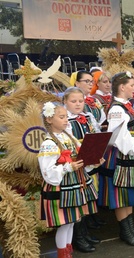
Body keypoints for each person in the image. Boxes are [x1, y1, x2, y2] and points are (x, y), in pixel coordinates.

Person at [38, 102, 103, 257]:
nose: (66, 120)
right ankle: (63, 254)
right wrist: (67, 167)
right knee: (65, 223)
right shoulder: (49, 143)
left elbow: (80, 160)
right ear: (49, 119)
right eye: (61, 117)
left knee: (72, 221)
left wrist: (92, 161)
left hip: (74, 183)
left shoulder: (69, 136)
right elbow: (47, 172)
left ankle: (68, 251)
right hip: (61, 187)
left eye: (66, 116)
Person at [105, 71, 134, 246]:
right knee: (121, 196)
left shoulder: (126, 105)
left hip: (130, 156)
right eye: (132, 85)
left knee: (128, 194)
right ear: (122, 87)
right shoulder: (117, 109)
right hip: (122, 157)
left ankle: (131, 228)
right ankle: (125, 231)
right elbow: (120, 139)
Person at [62, 87, 102, 252]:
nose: (78, 104)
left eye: (80, 101)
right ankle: (77, 237)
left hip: (88, 159)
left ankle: (84, 233)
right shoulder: (65, 120)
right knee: (77, 201)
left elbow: (96, 134)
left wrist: (97, 151)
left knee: (85, 199)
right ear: (65, 102)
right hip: (75, 161)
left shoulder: (88, 116)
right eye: (73, 101)